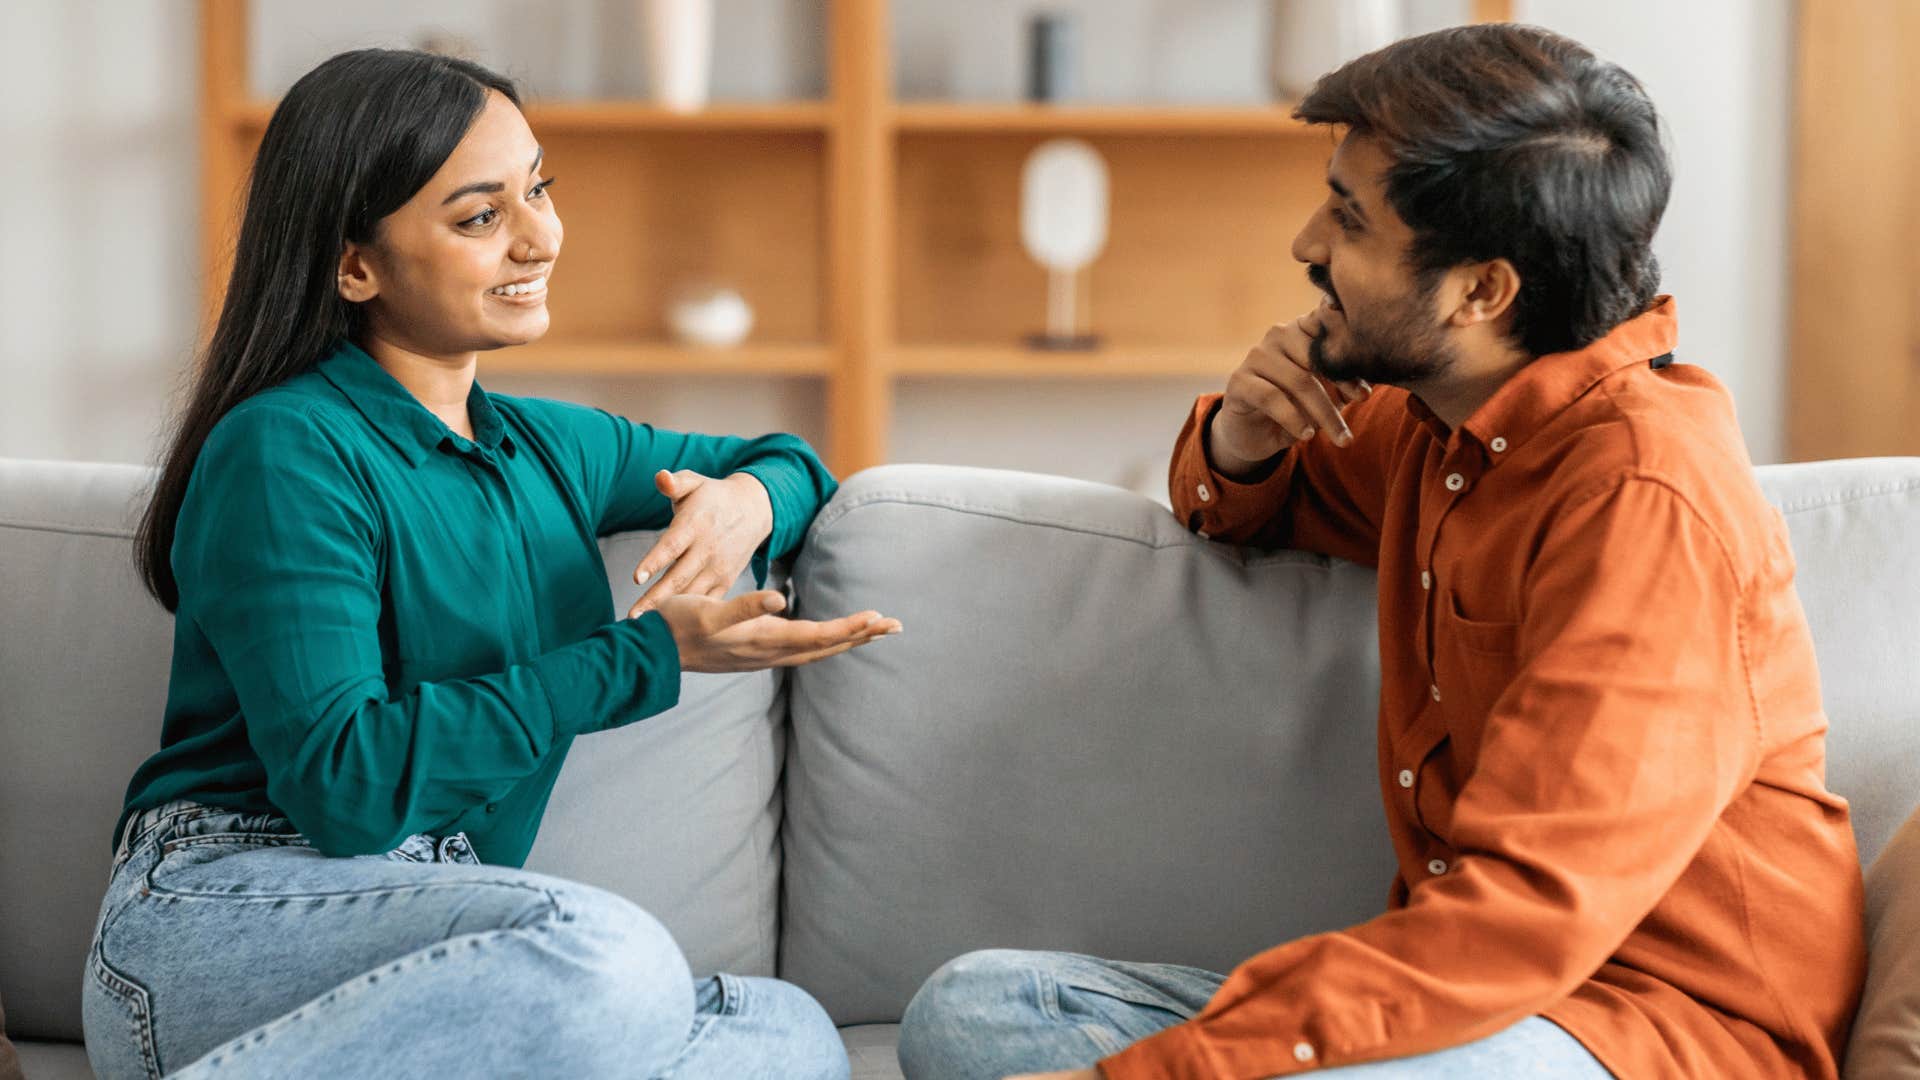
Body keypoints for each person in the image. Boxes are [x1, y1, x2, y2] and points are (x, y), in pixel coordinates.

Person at [898, 23, 1864, 1080]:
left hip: (1650, 1032)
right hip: (1469, 1006)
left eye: (1349, 219)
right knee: (981, 1011)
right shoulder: (1447, 427)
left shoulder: (1645, 498)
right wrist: (1245, 437)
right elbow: (1241, 505)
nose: (1307, 243)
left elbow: (1521, 920)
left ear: (1481, 292)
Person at [84, 48, 896, 1080]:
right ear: (354, 266)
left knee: (786, 1038)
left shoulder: (547, 448)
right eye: (480, 217)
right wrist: (641, 657)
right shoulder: (286, 449)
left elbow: (788, 463)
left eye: (540, 188)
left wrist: (744, 505)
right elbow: (345, 788)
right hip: (221, 916)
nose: (540, 236)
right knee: (614, 961)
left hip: (435, 941)